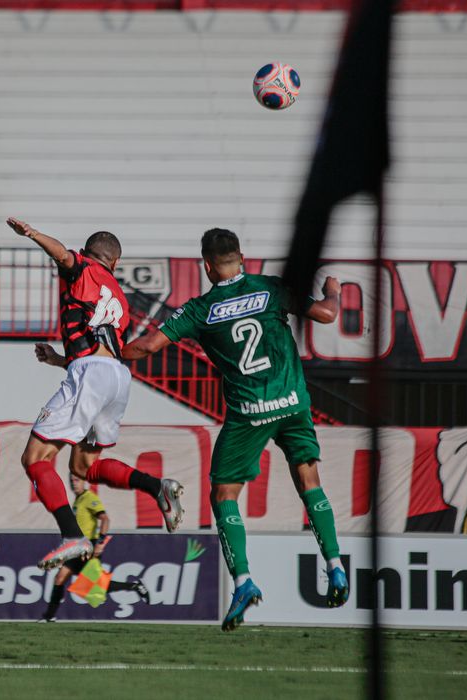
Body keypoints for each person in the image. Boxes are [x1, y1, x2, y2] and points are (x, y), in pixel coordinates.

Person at [122, 228, 350, 632]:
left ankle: (243, 581)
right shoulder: (272, 288)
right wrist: (333, 290)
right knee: (309, 480)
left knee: (224, 493)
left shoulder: (200, 308)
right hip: (293, 403)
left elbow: (144, 348)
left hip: (249, 412)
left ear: (206, 265)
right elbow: (327, 314)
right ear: (242, 257)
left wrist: (104, 349)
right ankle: (335, 566)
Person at [7, 217, 184, 572]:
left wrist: (33, 234)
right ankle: (157, 486)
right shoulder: (116, 293)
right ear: (115, 263)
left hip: (91, 374)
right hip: (116, 378)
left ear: (91, 254)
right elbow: (101, 348)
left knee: (35, 458)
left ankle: (72, 536)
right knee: (83, 466)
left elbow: (63, 257)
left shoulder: (83, 267)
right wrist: (61, 360)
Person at [39, 473, 150, 622]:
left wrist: (100, 541)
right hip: (76, 548)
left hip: (87, 548)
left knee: (98, 585)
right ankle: (49, 616)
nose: (74, 483)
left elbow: (105, 519)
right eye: (71, 481)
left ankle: (135, 586)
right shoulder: (78, 500)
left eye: (77, 480)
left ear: (85, 482)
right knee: (60, 578)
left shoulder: (89, 497)